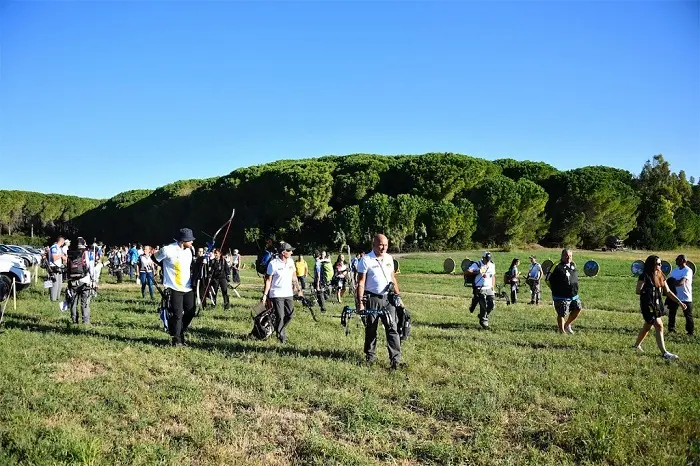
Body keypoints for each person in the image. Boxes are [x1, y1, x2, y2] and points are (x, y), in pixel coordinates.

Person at [356, 234, 405, 370]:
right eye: (381, 245)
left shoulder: (389, 258)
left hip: (388, 299)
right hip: (372, 298)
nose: (383, 248)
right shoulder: (365, 260)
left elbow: (392, 278)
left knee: (392, 328)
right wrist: (360, 303)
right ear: (374, 245)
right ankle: (370, 357)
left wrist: (398, 295)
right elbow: (360, 283)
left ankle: (396, 360)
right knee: (371, 329)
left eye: (386, 245)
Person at [634, 255, 685, 359]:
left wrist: (679, 302)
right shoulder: (644, 276)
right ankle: (665, 353)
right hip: (648, 304)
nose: (660, 265)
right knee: (659, 325)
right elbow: (638, 290)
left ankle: (636, 346)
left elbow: (668, 291)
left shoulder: (661, 275)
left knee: (648, 326)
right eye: (658, 264)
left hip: (657, 303)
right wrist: (647, 289)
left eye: (660, 263)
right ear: (651, 265)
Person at [154, 228, 196, 347]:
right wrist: (165, 267)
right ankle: (177, 339)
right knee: (177, 314)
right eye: (190, 240)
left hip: (187, 287)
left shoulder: (190, 250)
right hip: (173, 287)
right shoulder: (168, 250)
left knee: (191, 311)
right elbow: (154, 258)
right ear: (183, 241)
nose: (192, 242)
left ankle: (179, 331)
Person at [261, 242, 301, 344]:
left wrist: (299, 290)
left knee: (290, 315)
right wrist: (265, 295)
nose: (291, 252)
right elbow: (268, 280)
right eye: (289, 251)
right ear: (283, 252)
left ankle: (277, 327)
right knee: (280, 315)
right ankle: (281, 335)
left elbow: (294, 277)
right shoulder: (273, 264)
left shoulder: (291, 262)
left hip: (288, 293)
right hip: (277, 294)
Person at [546, 249, 582, 334]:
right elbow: (547, 279)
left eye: (570, 256)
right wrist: (555, 289)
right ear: (562, 256)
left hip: (573, 294)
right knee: (562, 313)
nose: (568, 258)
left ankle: (567, 325)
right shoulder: (556, 266)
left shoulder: (573, 265)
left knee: (578, 308)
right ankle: (561, 331)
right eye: (566, 256)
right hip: (560, 295)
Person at [65, 237, 96, 325]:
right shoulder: (85, 253)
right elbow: (90, 267)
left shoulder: (70, 252)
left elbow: (67, 266)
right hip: (84, 280)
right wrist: (93, 280)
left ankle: (74, 321)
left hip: (72, 281)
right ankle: (86, 322)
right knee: (85, 302)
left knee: (73, 302)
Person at [465, 252, 496, 329]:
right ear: (483, 258)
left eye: (488, 260)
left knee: (492, 305)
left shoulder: (492, 265)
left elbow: (493, 276)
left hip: (489, 288)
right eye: (486, 259)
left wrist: (493, 287)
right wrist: (478, 271)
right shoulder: (477, 264)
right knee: (484, 305)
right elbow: (467, 271)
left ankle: (482, 316)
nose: (487, 261)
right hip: (480, 288)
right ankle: (484, 322)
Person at [667, 254, 694, 336]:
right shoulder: (675, 270)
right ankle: (671, 329)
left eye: (678, 259)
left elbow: (681, 283)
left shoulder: (688, 270)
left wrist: (673, 282)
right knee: (672, 313)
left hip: (685, 296)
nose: (676, 260)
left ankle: (690, 332)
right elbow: (669, 281)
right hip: (675, 295)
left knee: (688, 315)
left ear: (683, 260)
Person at [48, 236, 67, 301]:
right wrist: (61, 256)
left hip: (59, 267)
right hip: (53, 267)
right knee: (54, 284)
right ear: (61, 242)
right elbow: (54, 258)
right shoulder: (54, 247)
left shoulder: (59, 248)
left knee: (59, 284)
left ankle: (57, 298)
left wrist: (65, 258)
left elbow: (64, 258)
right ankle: (53, 299)